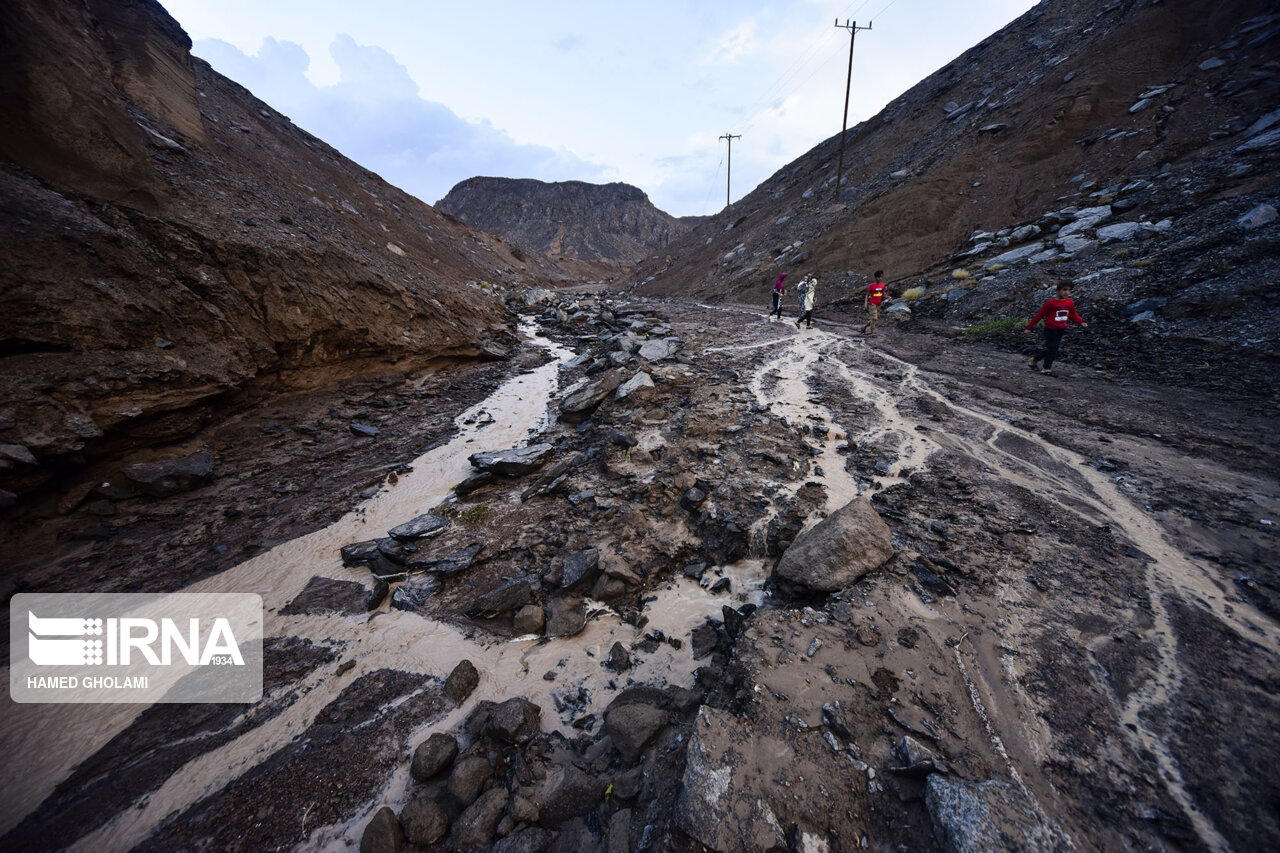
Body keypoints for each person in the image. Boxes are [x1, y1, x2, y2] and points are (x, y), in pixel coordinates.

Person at [1024, 280, 1087, 375]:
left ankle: (1034, 359)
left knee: (1052, 348)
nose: (1067, 292)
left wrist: (1081, 322)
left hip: (1061, 328)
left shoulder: (1069, 302)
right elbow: (1039, 315)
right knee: (1052, 348)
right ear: (1057, 291)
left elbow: (1073, 314)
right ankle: (1046, 368)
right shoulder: (1051, 303)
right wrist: (1029, 328)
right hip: (1050, 328)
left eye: (1069, 290)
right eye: (1064, 290)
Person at [862, 270, 888, 336]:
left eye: (881, 277)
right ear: (875, 277)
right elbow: (867, 295)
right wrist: (865, 304)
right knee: (874, 318)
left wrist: (888, 297)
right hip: (872, 304)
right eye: (879, 277)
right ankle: (872, 332)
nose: (880, 278)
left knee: (875, 319)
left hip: (879, 304)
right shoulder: (871, 286)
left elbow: (883, 295)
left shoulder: (882, 286)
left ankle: (864, 327)